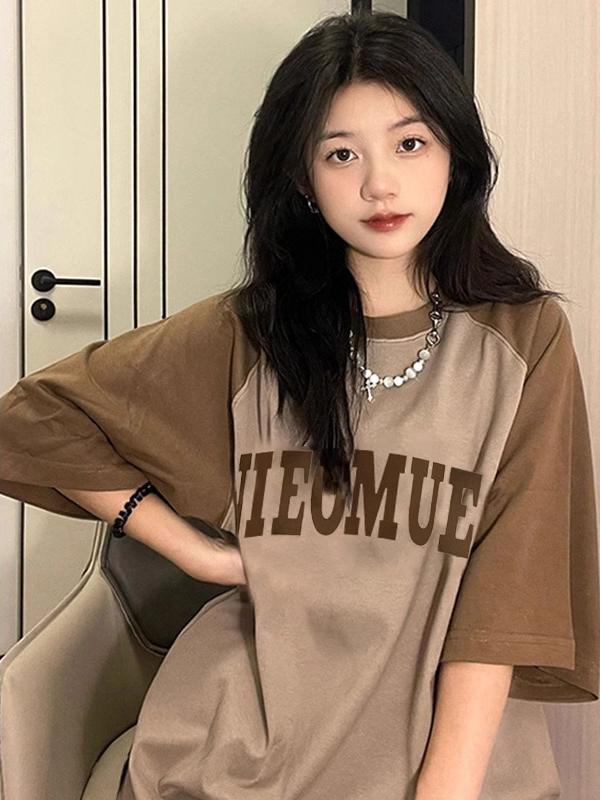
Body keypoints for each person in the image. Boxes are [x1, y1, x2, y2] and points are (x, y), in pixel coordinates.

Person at [0, 9, 598, 800]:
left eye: (410, 143)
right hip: (245, 748)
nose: (379, 184)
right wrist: (200, 555)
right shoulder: (249, 335)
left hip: (449, 758)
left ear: (455, 155)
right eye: (341, 154)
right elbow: (29, 421)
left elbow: (505, 602)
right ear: (303, 182)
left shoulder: (524, 339)